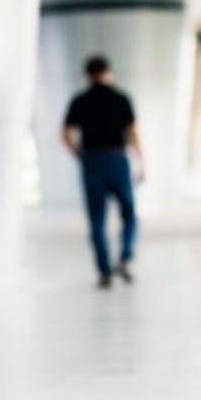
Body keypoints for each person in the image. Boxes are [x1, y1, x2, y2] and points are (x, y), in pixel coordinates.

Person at [63, 54, 145, 288]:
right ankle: (126, 257)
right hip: (117, 157)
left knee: (97, 219)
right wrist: (142, 162)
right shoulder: (121, 98)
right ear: (109, 72)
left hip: (92, 160)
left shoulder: (80, 100)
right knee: (129, 212)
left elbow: (65, 134)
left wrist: (80, 154)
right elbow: (134, 133)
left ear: (87, 76)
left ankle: (104, 271)